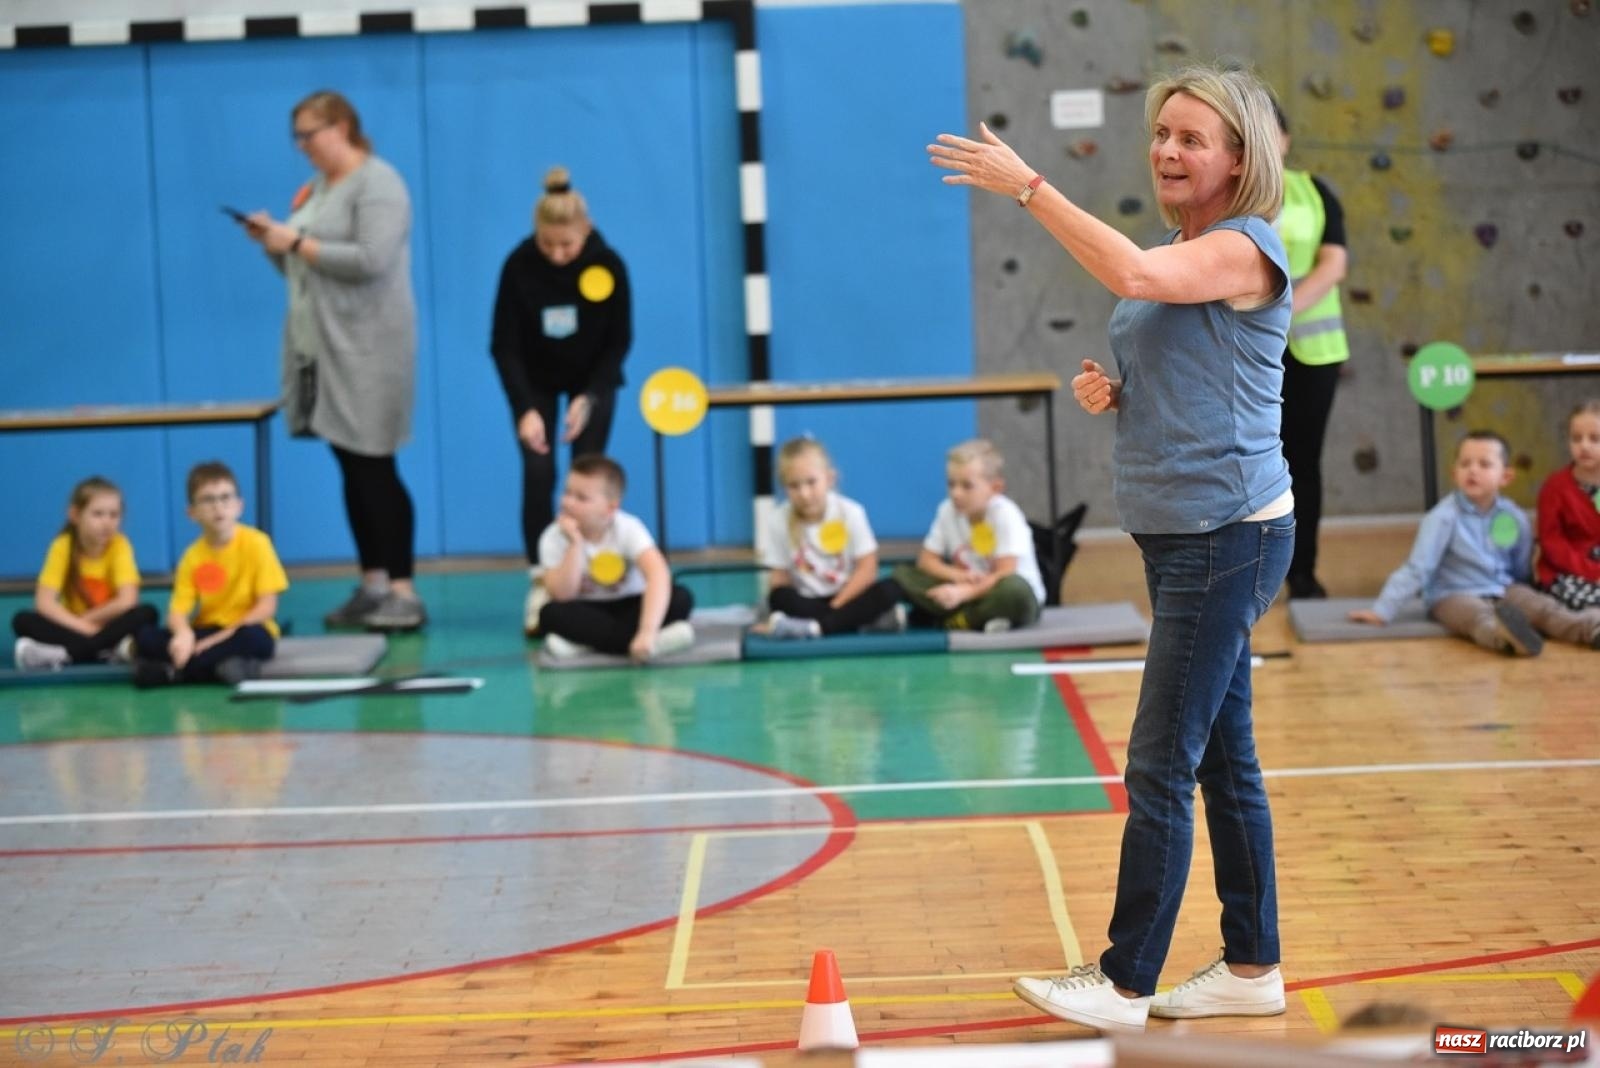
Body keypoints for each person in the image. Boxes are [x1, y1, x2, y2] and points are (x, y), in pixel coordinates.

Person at [930, 63, 1295, 1030]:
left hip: (1228, 535)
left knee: (1159, 760)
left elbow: (1134, 277)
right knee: (1225, 761)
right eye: (1162, 133)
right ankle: (1253, 966)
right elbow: (1192, 356)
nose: (1167, 150)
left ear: (1239, 159)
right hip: (1183, 535)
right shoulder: (1184, 246)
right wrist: (1122, 391)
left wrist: (1029, 186)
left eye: (1191, 139)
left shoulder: (1245, 248)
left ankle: (1126, 980)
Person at [237, 89, 424, 632]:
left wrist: (295, 242)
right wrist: (275, 245)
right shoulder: (319, 189)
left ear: (341, 127)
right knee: (350, 466)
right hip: (319, 347)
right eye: (296, 137)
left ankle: (404, 590)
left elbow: (372, 259)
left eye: (309, 135)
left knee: (376, 464)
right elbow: (305, 268)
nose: (302, 146)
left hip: (369, 348)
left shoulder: (379, 183)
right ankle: (373, 583)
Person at [491, 167, 633, 635]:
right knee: (538, 472)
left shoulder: (608, 265)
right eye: (547, 244)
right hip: (536, 382)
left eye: (567, 245)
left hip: (591, 380)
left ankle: (593, 572)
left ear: (585, 230)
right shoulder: (519, 265)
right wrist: (523, 408)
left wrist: (590, 397)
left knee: (587, 478)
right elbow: (504, 345)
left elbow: (618, 342)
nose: (556, 255)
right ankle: (542, 578)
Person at [1350, 430, 1600, 653]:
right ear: (1454, 473)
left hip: (1502, 588)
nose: (1473, 470)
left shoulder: (1514, 517)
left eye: (1484, 464)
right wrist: (1382, 610)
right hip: (1453, 595)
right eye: (1465, 464)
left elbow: (1521, 564)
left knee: (1544, 608)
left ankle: (1590, 628)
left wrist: (1523, 593)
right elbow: (1418, 567)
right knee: (1477, 618)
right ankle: (1506, 638)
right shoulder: (1443, 517)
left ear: (1505, 476)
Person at [1273, 101, 1350, 600]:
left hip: (1313, 351)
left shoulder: (1314, 191)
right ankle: (1255, 573)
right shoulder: (1228, 194)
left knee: (1304, 460)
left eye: (1272, 132)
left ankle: (1303, 571)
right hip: (1247, 351)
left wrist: (1281, 313)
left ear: (1285, 139)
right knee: (1254, 462)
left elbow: (1333, 264)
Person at [132, 461, 289, 686]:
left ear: (239, 506)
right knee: (146, 637)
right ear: (192, 513)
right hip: (207, 629)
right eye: (208, 500)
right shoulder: (192, 556)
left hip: (244, 629)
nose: (218, 507)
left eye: (225, 497)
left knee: (255, 638)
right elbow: (177, 612)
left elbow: (266, 607)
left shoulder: (257, 543)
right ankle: (224, 667)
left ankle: (174, 673)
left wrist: (218, 639)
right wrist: (183, 634)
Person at [535, 454, 694, 663]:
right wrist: (575, 543)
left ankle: (584, 645)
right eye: (567, 493)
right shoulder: (553, 536)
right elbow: (563, 594)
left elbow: (658, 573)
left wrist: (647, 630)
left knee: (680, 597)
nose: (568, 502)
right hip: (586, 608)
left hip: (630, 604)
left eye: (581, 498)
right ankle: (656, 642)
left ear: (610, 508)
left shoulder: (628, 528)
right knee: (549, 614)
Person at [754, 437, 904, 639]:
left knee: (891, 589)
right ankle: (854, 622)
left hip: (849, 597)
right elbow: (779, 578)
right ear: (784, 487)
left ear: (829, 479)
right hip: (808, 601)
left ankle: (815, 627)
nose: (804, 493)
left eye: (811, 482)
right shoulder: (778, 520)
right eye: (794, 486)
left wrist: (837, 605)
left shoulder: (851, 512)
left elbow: (867, 569)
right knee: (779, 597)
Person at [891, 439, 1044, 633]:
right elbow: (926, 561)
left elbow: (1005, 572)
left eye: (967, 486)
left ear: (995, 488)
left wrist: (965, 593)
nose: (956, 494)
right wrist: (959, 576)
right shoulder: (947, 510)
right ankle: (979, 618)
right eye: (951, 484)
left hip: (1000, 591)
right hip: (965, 588)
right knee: (902, 575)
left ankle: (950, 622)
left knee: (1014, 591)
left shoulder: (1006, 515)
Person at [11, 477, 157, 670]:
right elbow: (44, 603)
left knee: (147, 613)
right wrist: (87, 629)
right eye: (97, 514)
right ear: (75, 515)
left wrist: (88, 622)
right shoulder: (62, 546)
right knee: (22, 620)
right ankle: (108, 650)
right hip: (75, 625)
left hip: (108, 625)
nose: (107, 523)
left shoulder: (120, 546)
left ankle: (66, 654)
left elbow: (127, 600)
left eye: (114, 515)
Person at [1536, 399, 1600, 612]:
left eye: (1595, 438)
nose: (1584, 446)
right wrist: (1593, 572)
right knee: (1583, 599)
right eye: (1576, 438)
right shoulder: (1555, 487)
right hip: (1567, 570)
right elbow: (1552, 543)